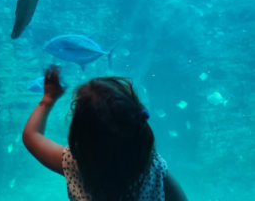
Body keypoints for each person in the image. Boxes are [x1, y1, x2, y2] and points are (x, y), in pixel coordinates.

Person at [22, 65, 188, 201]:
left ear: (80, 133)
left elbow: (31, 136)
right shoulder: (153, 167)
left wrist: (48, 98)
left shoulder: (75, 164)